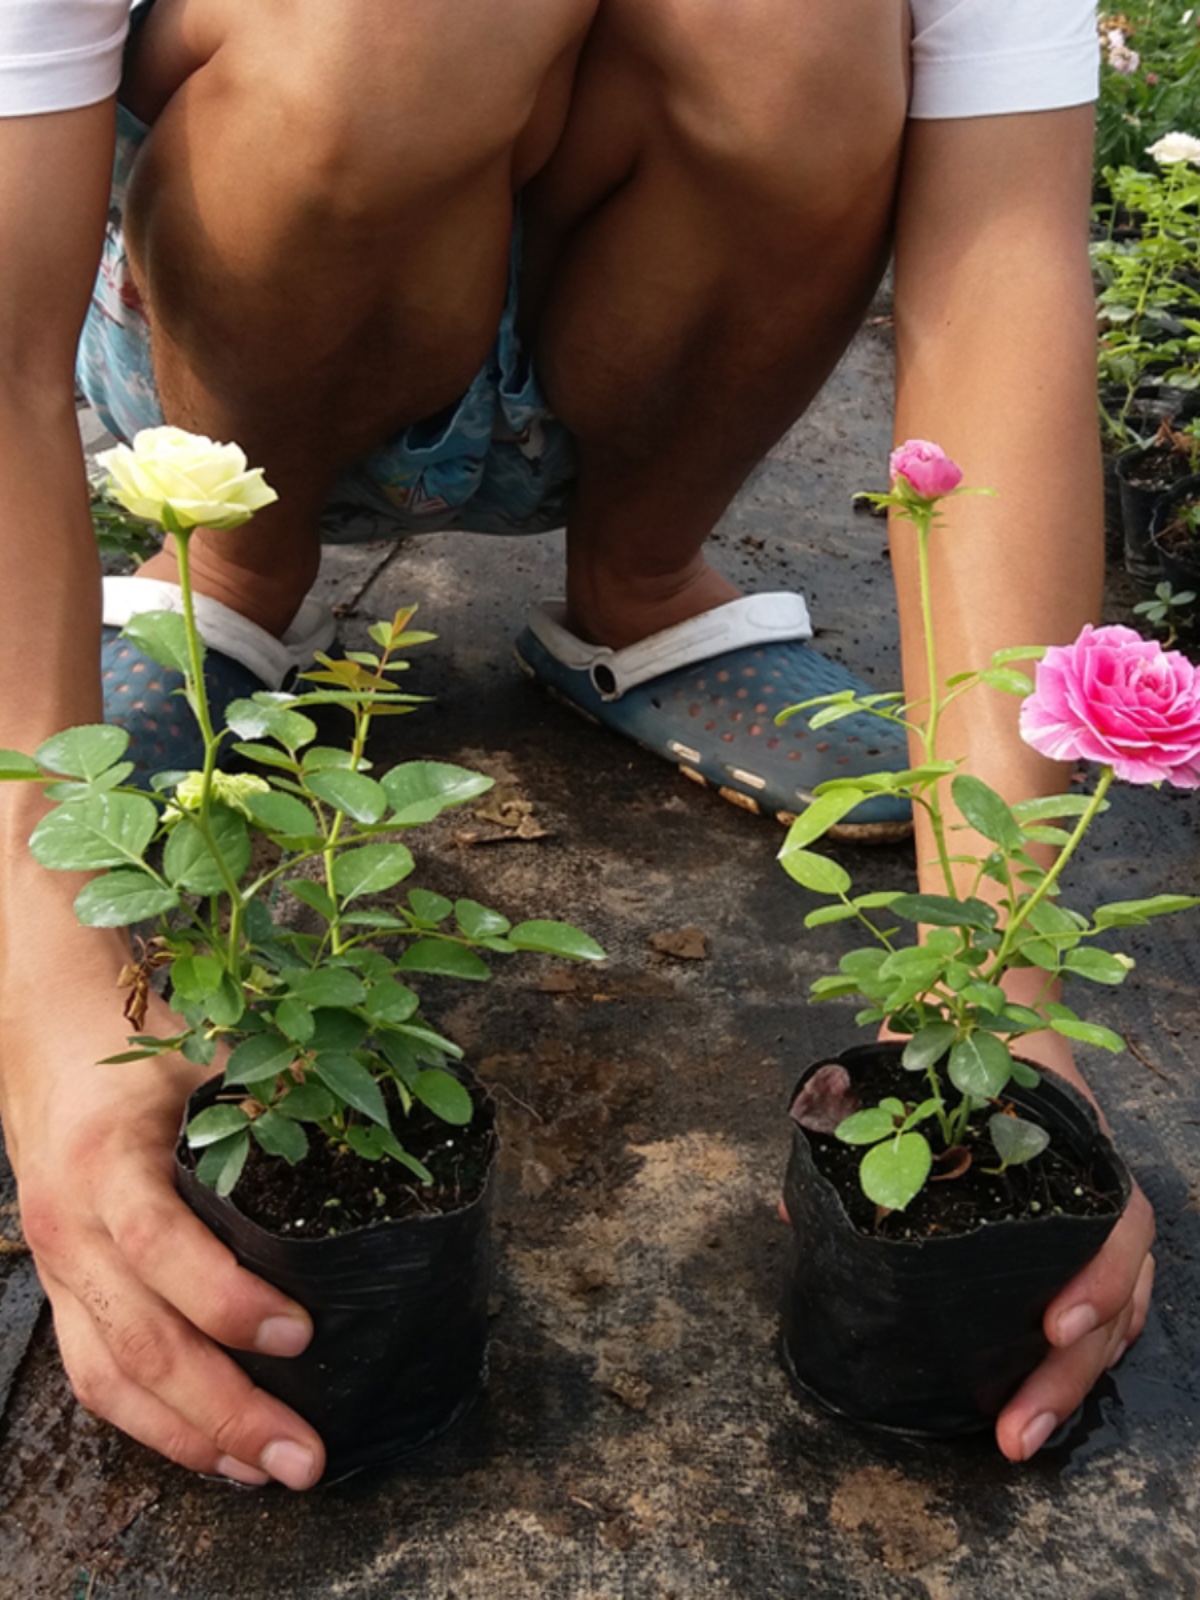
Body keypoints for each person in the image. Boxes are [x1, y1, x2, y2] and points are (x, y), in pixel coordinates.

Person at [0, 0, 1154, 1489]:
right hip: (236, 318)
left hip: (647, 324)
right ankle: (232, 575)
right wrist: (45, 1002)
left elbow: (999, 270)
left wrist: (1003, 990)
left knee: (795, 26)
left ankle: (643, 584)